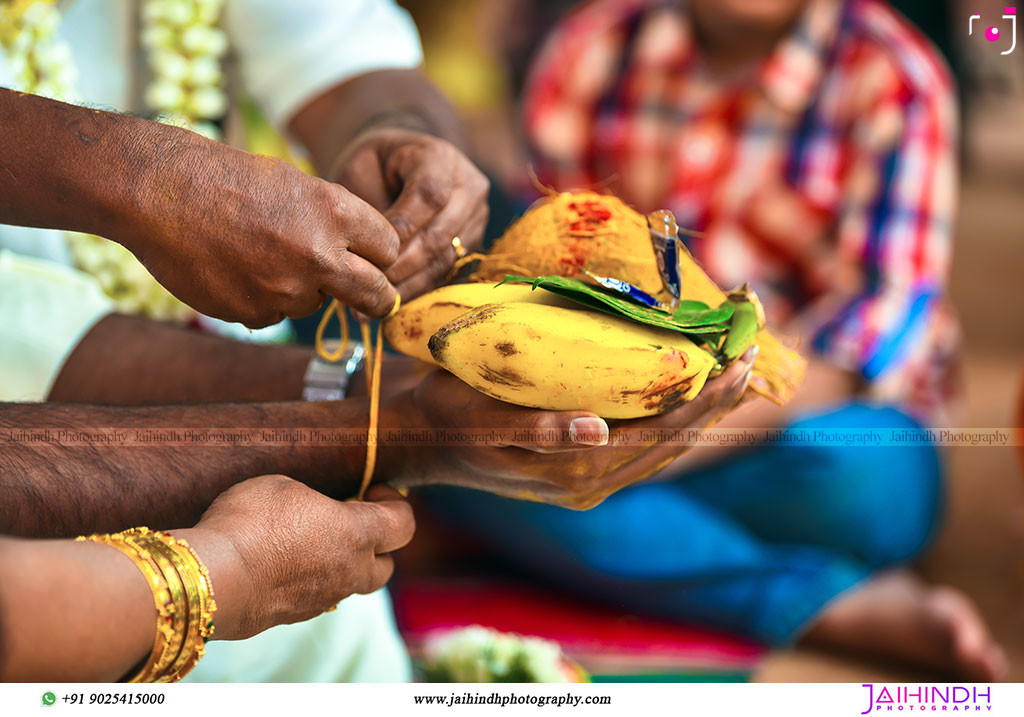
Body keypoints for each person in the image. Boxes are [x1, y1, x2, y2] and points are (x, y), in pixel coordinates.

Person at [431, 0, 1007, 679]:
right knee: (435, 431)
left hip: (800, 429)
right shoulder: (589, 51)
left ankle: (551, 528)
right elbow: (551, 289)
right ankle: (820, 601)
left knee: (870, 482)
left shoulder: (899, 79)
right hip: (616, 414)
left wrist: (640, 454)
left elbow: (848, 358)